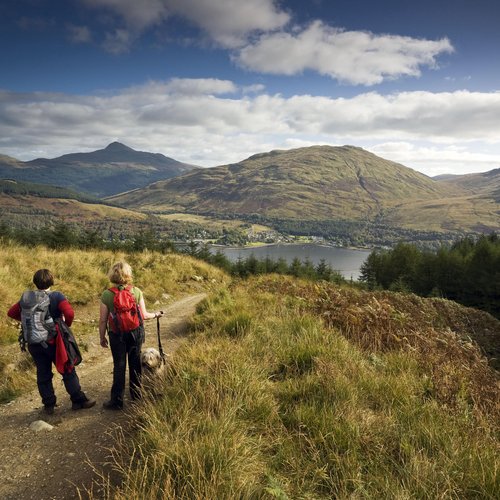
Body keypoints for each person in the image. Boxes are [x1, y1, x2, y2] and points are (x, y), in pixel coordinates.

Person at [7, 269, 96, 415]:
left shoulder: (28, 298)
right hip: (55, 342)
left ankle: (48, 406)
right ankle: (78, 400)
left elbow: (11, 312)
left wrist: (29, 323)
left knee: (43, 373)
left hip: (34, 343)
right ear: (51, 281)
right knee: (67, 369)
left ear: (35, 282)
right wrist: (65, 325)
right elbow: (69, 313)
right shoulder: (56, 296)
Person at [99, 261, 163, 410]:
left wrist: (102, 337)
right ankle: (136, 395)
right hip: (135, 333)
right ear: (128, 275)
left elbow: (103, 320)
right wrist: (157, 314)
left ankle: (117, 401)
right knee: (135, 363)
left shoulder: (107, 294)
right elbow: (144, 315)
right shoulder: (136, 291)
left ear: (112, 275)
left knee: (119, 365)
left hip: (116, 334)